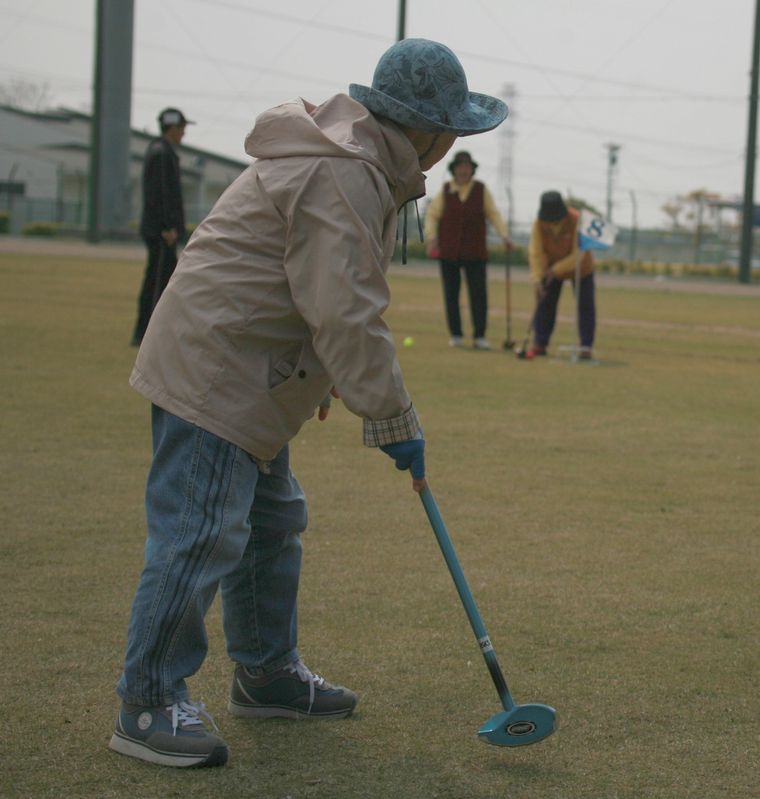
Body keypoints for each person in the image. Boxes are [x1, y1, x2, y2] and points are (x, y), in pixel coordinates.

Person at [108, 38, 507, 769]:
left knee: (269, 520)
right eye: (451, 128)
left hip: (255, 364)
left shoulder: (366, 164)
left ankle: (265, 674)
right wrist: (394, 420)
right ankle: (146, 699)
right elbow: (346, 309)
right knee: (200, 530)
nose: (452, 143)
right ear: (425, 128)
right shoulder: (346, 171)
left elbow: (315, 289)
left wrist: (319, 377)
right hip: (215, 367)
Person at [424, 150, 514, 349]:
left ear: (472, 170)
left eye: (466, 167)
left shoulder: (481, 190)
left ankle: (480, 336)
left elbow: (494, 214)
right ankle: (456, 334)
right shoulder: (446, 191)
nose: (463, 171)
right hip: (449, 252)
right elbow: (432, 215)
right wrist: (431, 238)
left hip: (475, 252)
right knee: (451, 294)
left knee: (479, 295)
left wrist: (504, 235)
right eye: (459, 167)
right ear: (454, 170)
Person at [132, 108, 189, 346]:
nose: (184, 133)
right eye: (182, 128)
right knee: (157, 281)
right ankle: (144, 333)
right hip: (161, 231)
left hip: (159, 229)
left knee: (163, 280)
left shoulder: (157, 151)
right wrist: (168, 226)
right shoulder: (163, 154)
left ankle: (156, 331)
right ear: (173, 128)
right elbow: (162, 194)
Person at [524, 191, 596, 360]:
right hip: (550, 268)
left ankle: (586, 346)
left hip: (581, 268)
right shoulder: (539, 224)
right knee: (545, 302)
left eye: (556, 219)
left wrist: (554, 270)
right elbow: (536, 252)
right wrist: (537, 279)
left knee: (585, 305)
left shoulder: (577, 220)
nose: (553, 224)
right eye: (549, 220)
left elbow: (578, 255)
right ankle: (540, 343)